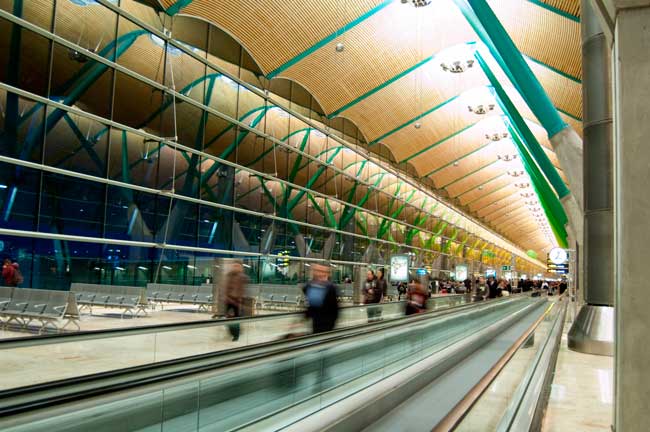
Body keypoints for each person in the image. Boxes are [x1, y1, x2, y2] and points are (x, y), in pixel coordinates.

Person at [304, 264, 339, 334]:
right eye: (317, 270)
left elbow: (335, 308)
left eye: (321, 271)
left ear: (326, 273)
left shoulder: (331, 287)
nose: (319, 273)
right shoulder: (311, 285)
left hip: (327, 323)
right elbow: (312, 305)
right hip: (315, 321)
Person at [222, 262, 248, 341]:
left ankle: (236, 335)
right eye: (234, 266)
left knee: (236, 318)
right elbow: (225, 287)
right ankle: (232, 331)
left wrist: (241, 300)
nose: (235, 267)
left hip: (237, 301)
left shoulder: (243, 277)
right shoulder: (228, 275)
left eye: (237, 266)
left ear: (241, 268)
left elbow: (243, 290)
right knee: (227, 318)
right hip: (228, 300)